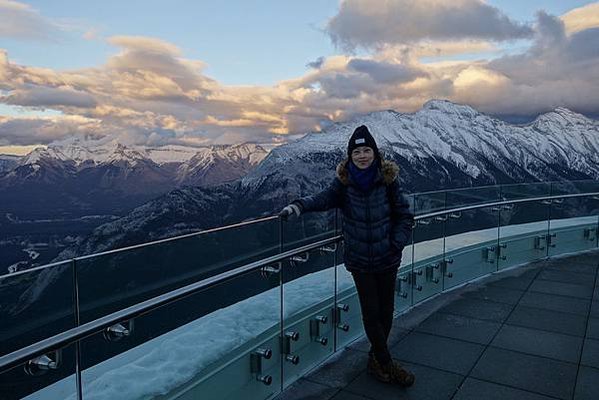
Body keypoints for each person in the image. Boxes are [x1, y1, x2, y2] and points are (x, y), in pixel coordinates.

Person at [280, 125, 415, 386]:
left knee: (386, 311)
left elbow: (404, 215)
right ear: (350, 156)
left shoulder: (388, 181)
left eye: (366, 150)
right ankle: (387, 363)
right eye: (357, 152)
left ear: (375, 153)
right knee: (371, 312)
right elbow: (322, 199)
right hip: (360, 261)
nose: (362, 156)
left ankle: (376, 360)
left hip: (387, 258)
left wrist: (395, 244)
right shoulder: (343, 183)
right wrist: (298, 206)